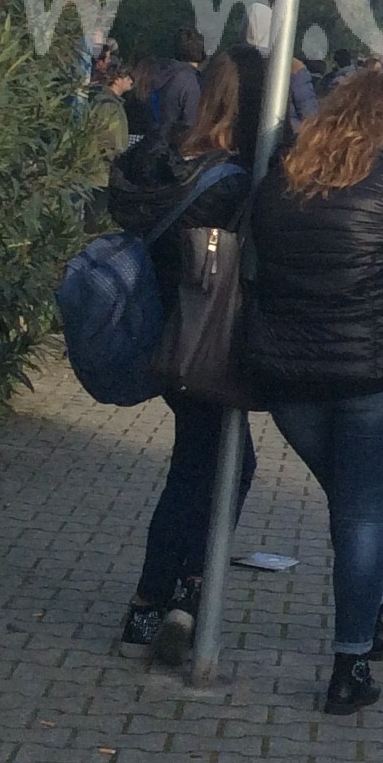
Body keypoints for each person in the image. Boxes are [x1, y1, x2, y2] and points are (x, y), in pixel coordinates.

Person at [243, 66, 383, 715]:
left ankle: (382, 607)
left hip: (288, 378)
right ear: (382, 124)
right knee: (361, 514)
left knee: (350, 503)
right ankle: (352, 661)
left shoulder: (279, 186)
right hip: (373, 378)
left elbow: (257, 268)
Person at [106, 46, 268, 666]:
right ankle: (184, 593)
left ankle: (150, 609)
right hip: (213, 340)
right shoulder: (235, 178)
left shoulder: (161, 153)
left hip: (159, 332)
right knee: (226, 466)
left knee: (192, 465)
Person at [154, 27, 206, 137]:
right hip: (178, 146)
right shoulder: (192, 82)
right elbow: (191, 123)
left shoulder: (161, 74)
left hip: (156, 142)